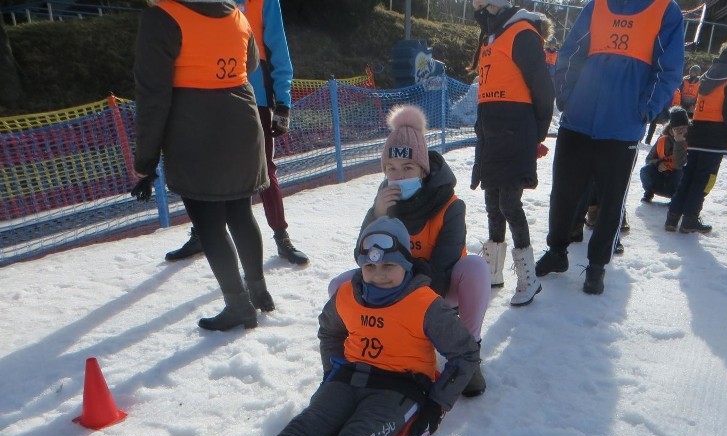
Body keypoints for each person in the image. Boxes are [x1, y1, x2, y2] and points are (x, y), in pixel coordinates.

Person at [161, 217, 479, 436]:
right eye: (370, 266)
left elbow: (464, 354)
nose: (378, 274)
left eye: (389, 265)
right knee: (299, 433)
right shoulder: (347, 294)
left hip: (398, 389)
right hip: (347, 379)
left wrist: (437, 403)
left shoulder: (425, 304)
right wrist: (332, 372)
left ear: (406, 265)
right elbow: (329, 329)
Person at [131, 0, 273, 331]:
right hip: (241, 120)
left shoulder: (162, 16)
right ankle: (258, 291)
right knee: (240, 212)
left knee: (209, 223)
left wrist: (145, 163)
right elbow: (250, 61)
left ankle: (239, 307)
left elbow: (153, 95)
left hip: (196, 127)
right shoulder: (233, 13)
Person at [330, 105, 491, 397]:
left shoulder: (450, 205)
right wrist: (376, 216)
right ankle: (363, 348)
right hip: (392, 285)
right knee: (338, 286)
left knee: (477, 269)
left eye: (407, 168)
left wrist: (410, 308)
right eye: (391, 168)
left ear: (422, 169)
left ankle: (468, 352)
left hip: (440, 288)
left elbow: (443, 268)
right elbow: (364, 257)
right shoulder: (384, 202)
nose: (398, 175)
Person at [535, 0, 684, 295]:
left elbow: (669, 69)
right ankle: (557, 251)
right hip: (577, 119)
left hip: (622, 127)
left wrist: (646, 109)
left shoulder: (665, 10)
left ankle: (596, 266)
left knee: (611, 200)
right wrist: (565, 93)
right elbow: (572, 51)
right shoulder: (598, 5)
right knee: (564, 192)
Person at [164, 0, 309, 265]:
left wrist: (284, 103)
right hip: (206, 97)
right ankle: (200, 234)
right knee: (205, 170)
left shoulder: (265, 2)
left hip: (254, 99)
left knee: (265, 171)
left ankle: (281, 237)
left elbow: (278, 51)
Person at [470, 0, 554, 306]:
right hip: (491, 134)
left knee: (509, 203)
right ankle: (493, 272)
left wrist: (537, 135)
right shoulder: (490, 37)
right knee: (492, 201)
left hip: (517, 132)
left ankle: (528, 279)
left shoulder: (522, 32)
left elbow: (543, 89)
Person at [664, 38, 727, 234]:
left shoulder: (708, 74)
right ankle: (690, 220)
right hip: (716, 137)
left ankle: (673, 217)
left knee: (688, 177)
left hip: (697, 133)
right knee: (703, 180)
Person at [640, 106, 689, 202]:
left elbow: (680, 164)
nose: (680, 131)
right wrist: (658, 164)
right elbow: (648, 159)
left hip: (678, 182)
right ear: (671, 129)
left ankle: (677, 199)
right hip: (661, 179)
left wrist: (679, 142)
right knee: (645, 170)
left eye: (683, 128)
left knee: (681, 172)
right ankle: (649, 193)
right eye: (677, 128)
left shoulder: (691, 141)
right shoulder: (663, 139)